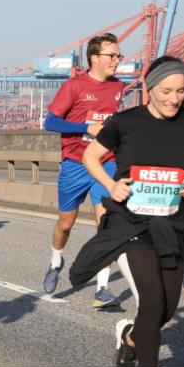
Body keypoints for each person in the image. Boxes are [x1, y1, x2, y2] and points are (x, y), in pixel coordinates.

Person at [69, 56, 184, 367]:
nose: (174, 98)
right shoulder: (125, 122)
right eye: (166, 91)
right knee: (151, 302)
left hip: (174, 225)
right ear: (149, 88)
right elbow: (91, 156)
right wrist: (111, 185)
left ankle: (132, 337)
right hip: (131, 224)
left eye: (180, 91)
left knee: (167, 308)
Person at [42, 33, 125, 307]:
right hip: (75, 163)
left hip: (106, 161)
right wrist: (85, 127)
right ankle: (56, 262)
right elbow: (50, 122)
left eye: (119, 56)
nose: (117, 60)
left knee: (106, 223)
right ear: (95, 58)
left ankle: (102, 290)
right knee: (66, 223)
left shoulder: (118, 87)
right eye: (112, 55)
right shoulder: (74, 86)